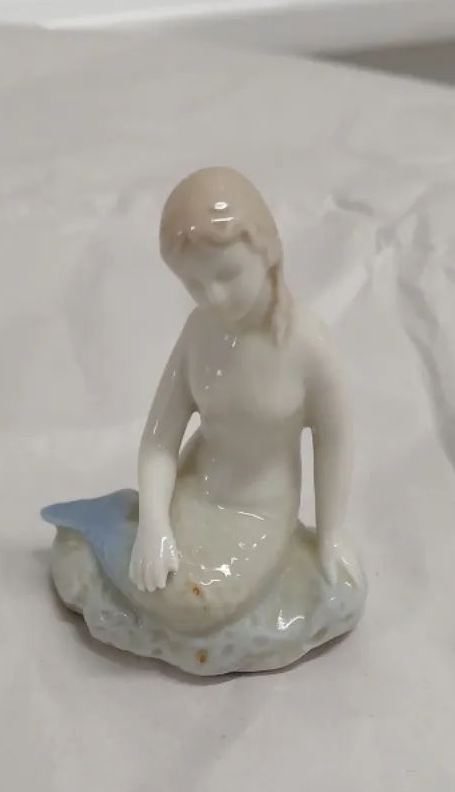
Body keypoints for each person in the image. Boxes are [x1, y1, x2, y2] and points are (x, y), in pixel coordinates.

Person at [42, 167, 365, 675]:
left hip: (259, 509)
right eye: (193, 283)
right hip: (195, 488)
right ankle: (118, 524)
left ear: (267, 251)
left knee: (199, 601)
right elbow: (159, 441)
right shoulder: (200, 332)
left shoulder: (308, 345)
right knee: (160, 576)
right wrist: (155, 526)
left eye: (227, 276)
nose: (212, 297)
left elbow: (334, 441)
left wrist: (330, 534)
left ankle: (101, 524)